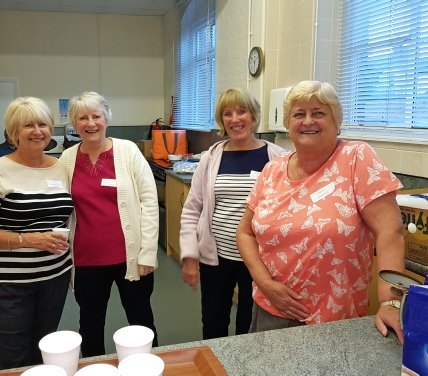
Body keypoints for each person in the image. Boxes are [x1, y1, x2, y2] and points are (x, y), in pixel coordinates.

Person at [236, 80, 406, 343]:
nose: (307, 121)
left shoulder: (356, 158)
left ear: (336, 122)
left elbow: (390, 231)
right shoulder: (272, 170)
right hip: (270, 309)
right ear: (287, 125)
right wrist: (267, 285)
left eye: (318, 113)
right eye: (299, 114)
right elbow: (245, 233)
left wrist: (390, 302)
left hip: (335, 318)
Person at [0, 97, 73, 370]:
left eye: (43, 124)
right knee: (12, 358)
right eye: (28, 125)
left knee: (44, 351)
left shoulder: (60, 167)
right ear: (14, 132)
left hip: (54, 278)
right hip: (8, 285)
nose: (37, 131)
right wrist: (32, 240)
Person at [179, 88, 289, 340]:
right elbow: (192, 209)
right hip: (216, 256)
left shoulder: (277, 158)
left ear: (253, 116)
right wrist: (189, 254)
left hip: (260, 259)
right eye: (227, 113)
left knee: (250, 323)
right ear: (221, 120)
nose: (235, 119)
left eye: (242, 111)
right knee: (214, 320)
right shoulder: (211, 158)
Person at [59, 91, 159, 357]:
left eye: (96, 116)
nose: (90, 123)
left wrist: (148, 252)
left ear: (106, 118)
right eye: (83, 118)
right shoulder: (66, 159)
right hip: (86, 260)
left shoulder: (127, 151)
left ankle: (150, 368)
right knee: (90, 326)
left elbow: (149, 202)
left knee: (141, 321)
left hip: (130, 257)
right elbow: (59, 206)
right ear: (73, 123)